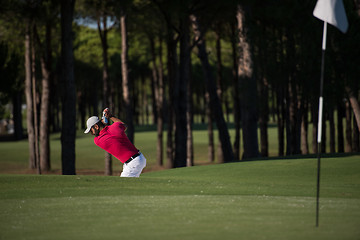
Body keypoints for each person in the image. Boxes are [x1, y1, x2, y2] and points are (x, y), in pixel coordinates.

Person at [84, 109, 146, 177]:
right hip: (138, 158)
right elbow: (123, 125)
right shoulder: (115, 126)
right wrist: (110, 116)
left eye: (91, 130)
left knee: (123, 185)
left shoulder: (97, 140)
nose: (91, 133)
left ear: (96, 127)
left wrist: (103, 120)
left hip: (133, 162)